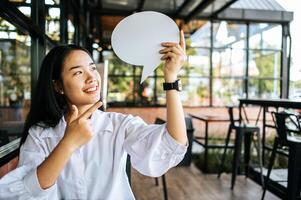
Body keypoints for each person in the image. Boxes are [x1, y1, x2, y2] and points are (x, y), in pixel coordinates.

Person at [0, 30, 188, 200]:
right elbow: (24, 194)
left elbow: (173, 144)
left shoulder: (118, 125)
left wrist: (171, 79)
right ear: (58, 86)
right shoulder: (40, 134)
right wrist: (68, 143)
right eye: (78, 72)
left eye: (92, 68)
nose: (91, 77)